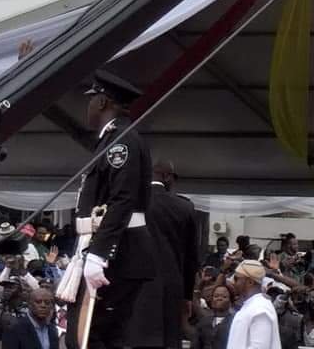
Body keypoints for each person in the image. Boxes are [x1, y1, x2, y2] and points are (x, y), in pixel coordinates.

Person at [61, 73, 156, 349]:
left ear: (103, 102)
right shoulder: (112, 138)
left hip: (118, 252)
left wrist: (100, 253)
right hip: (109, 247)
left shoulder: (121, 141)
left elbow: (122, 199)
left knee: (90, 336)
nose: (88, 107)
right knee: (94, 337)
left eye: (92, 100)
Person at [125, 159, 199, 349]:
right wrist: (187, 296)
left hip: (134, 289)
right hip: (171, 290)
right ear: (167, 177)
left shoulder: (129, 203)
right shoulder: (185, 207)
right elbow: (191, 259)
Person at [226, 260, 282, 349]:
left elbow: (259, 347)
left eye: (236, 278)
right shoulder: (252, 305)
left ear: (250, 282)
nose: (233, 282)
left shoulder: (260, 308)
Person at [197, 285, 236, 349]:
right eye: (216, 296)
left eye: (224, 296)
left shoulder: (235, 322)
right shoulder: (204, 322)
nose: (219, 298)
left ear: (230, 301)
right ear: (212, 300)